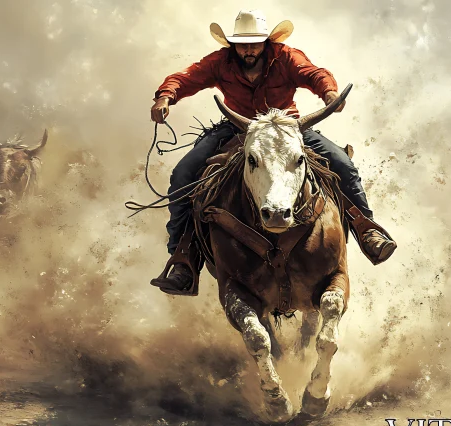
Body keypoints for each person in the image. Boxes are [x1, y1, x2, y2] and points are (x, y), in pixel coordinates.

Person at [149, 9, 397, 295]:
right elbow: (185, 78)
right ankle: (183, 257)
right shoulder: (219, 62)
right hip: (238, 129)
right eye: (243, 44)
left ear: (266, 42)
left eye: (255, 43)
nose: (249, 50)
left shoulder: (285, 57)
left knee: (342, 165)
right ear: (233, 44)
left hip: (287, 128)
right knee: (183, 175)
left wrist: (329, 92)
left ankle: (366, 230)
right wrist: (165, 97)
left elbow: (314, 74)